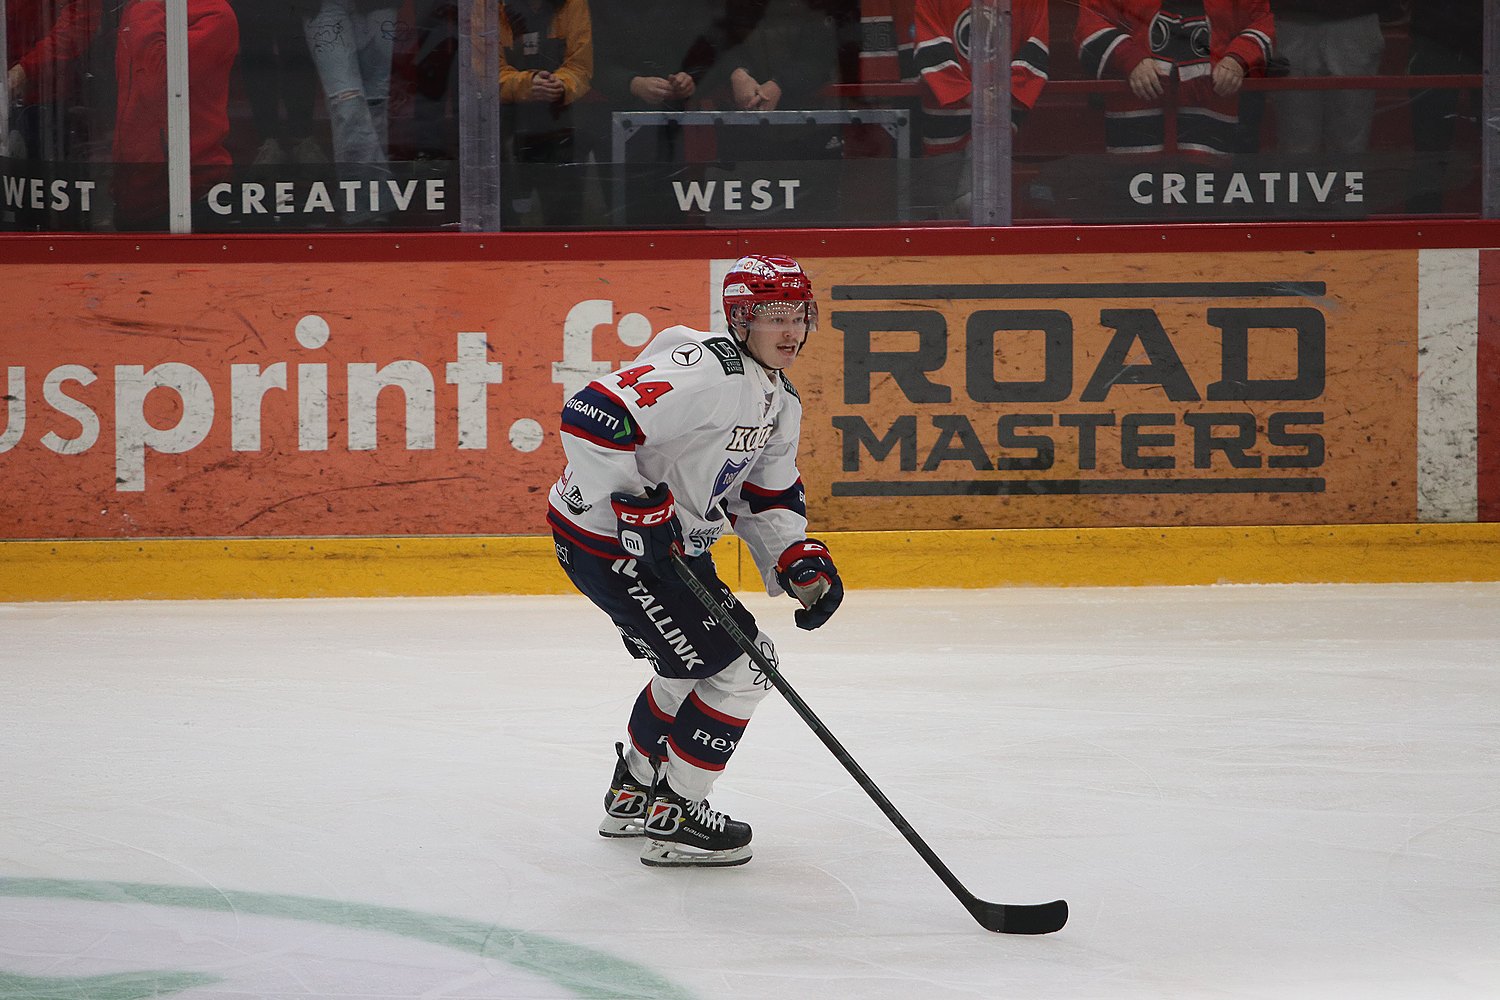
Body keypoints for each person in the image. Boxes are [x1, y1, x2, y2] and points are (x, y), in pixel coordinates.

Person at [547, 254, 844, 868]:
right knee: (745, 667)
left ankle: (633, 793)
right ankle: (678, 813)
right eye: (772, 317)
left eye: (799, 317)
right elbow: (592, 414)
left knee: (692, 667)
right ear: (740, 320)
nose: (790, 332)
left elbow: (765, 492)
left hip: (664, 548)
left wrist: (794, 556)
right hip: (616, 547)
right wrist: (632, 498)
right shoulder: (709, 372)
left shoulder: (777, 401)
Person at [8, 0, 239, 230]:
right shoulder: (142, 12)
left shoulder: (213, 15)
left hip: (188, 196)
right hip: (135, 193)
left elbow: (159, 82)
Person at [1076, 0, 1273, 157]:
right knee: (1135, 199)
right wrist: (1130, 58)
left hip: (1210, 119)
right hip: (1136, 120)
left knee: (1205, 197)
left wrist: (1236, 59)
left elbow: (1260, 20)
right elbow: (1090, 21)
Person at [913, 0, 1049, 216]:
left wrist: (1001, 94)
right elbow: (929, 45)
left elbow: (1036, 47)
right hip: (945, 118)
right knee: (943, 210)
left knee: (974, 204)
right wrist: (973, 95)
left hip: (997, 117)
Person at [498, 0, 593, 227]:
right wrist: (527, 84)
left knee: (563, 217)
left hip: (559, 121)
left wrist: (560, 83)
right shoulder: (490, 6)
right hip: (503, 123)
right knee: (505, 219)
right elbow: (483, 71)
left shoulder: (572, 4)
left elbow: (581, 66)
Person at [1270, 0, 1396, 159]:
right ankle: (1299, 184)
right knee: (1295, 145)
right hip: (1292, 20)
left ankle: (1347, 183)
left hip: (1356, 19)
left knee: (1349, 146)